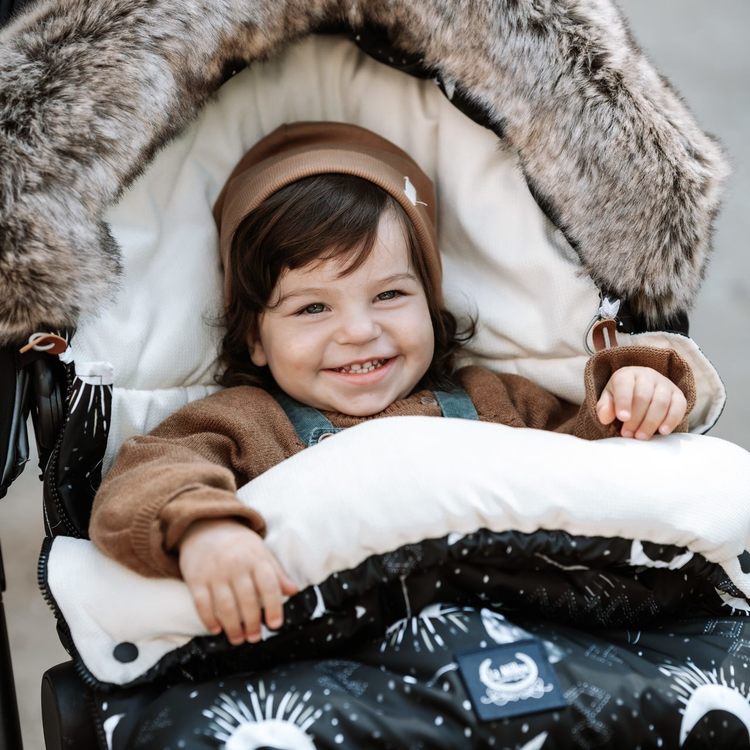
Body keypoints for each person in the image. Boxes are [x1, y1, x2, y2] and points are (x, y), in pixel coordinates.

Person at [90, 122, 695, 649]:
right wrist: (205, 531)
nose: (359, 331)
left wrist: (634, 390)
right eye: (311, 308)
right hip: (340, 658)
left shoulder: (494, 401)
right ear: (254, 338)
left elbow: (591, 464)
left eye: (389, 295)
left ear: (430, 304)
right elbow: (144, 476)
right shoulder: (245, 423)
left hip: (523, 628)